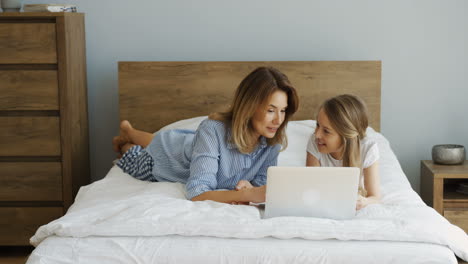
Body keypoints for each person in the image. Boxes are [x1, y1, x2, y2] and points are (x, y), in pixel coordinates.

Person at [112, 66, 299, 204]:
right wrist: (245, 195)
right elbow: (197, 193)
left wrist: (249, 185)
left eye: (283, 111)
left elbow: (260, 182)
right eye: (271, 110)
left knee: (164, 140)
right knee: (137, 155)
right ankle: (126, 139)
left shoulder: (272, 141)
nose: (278, 120)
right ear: (250, 107)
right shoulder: (211, 130)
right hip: (171, 157)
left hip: (188, 145)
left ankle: (129, 131)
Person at [305, 94, 380, 210]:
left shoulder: (367, 148)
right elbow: (311, 187)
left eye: (326, 131)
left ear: (346, 136)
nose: (317, 134)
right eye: (317, 125)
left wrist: (363, 202)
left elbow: (375, 197)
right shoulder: (315, 142)